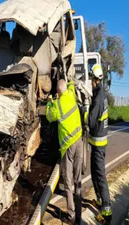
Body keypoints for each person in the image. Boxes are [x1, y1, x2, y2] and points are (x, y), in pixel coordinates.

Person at [46, 79, 83, 225]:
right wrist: (67, 82)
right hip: (79, 142)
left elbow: (49, 116)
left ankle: (71, 215)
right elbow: (71, 86)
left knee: (68, 182)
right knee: (77, 179)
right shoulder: (71, 95)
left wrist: (50, 101)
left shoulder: (58, 105)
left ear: (58, 92)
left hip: (68, 147)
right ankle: (79, 212)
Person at [82, 64, 112, 224]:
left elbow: (91, 121)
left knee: (100, 176)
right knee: (94, 172)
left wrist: (83, 110)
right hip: (97, 143)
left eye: (91, 79)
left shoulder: (99, 98)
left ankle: (107, 212)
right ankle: (100, 201)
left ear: (95, 79)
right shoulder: (100, 94)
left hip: (99, 144)